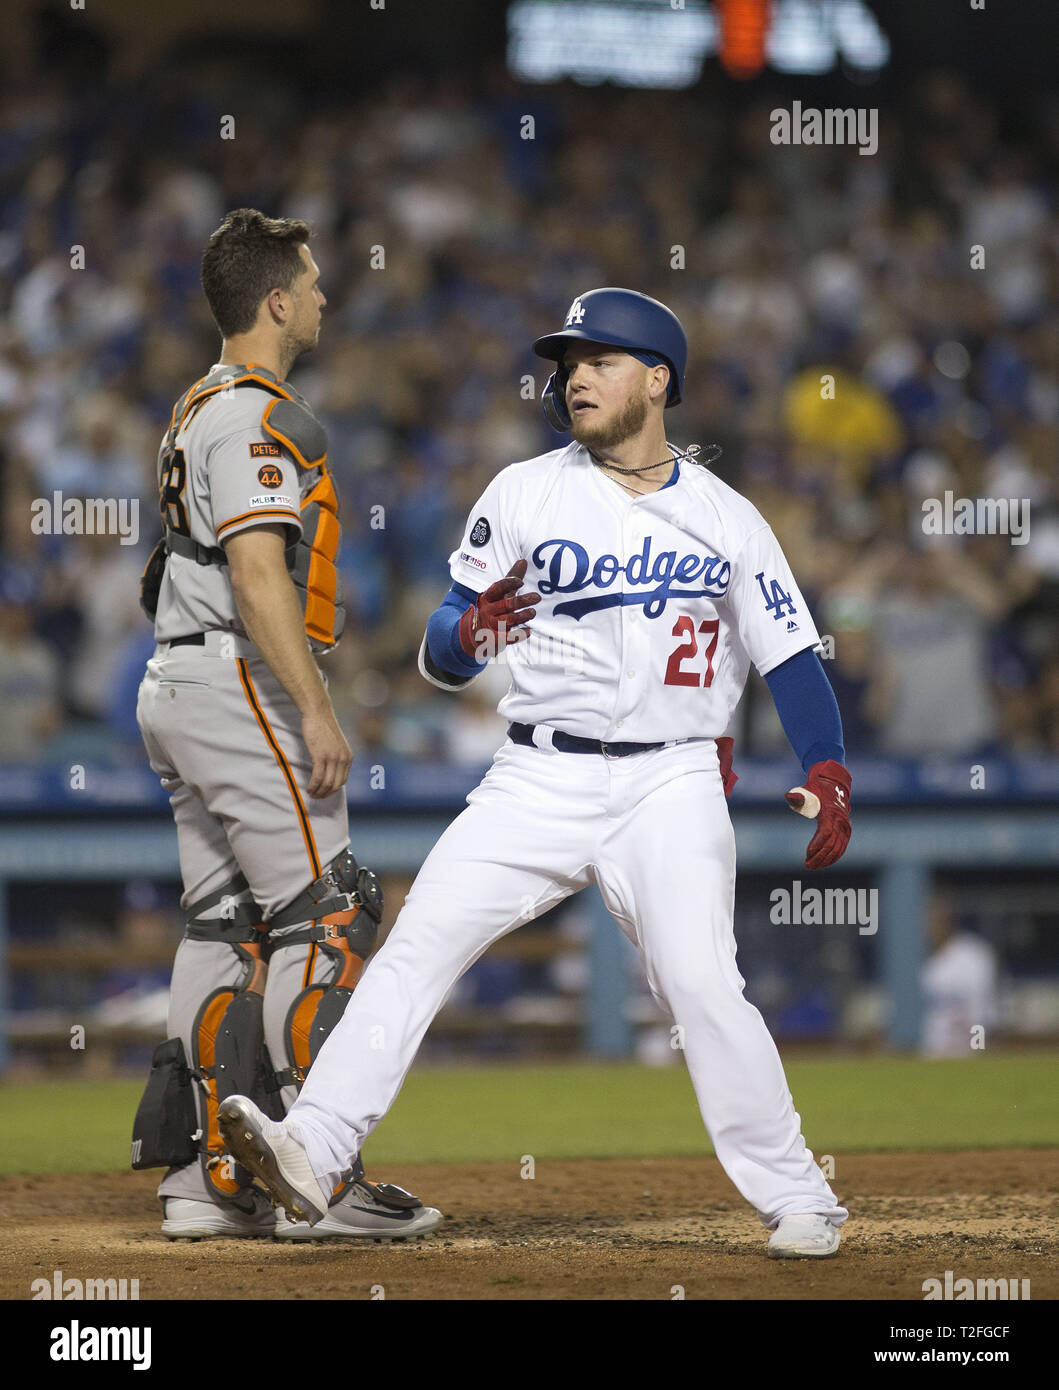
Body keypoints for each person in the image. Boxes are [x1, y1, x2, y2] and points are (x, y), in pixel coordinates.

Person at [219, 288, 852, 1258]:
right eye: (570, 361)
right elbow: (441, 647)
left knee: (699, 982)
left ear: (658, 378)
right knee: (420, 943)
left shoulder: (728, 518)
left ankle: (800, 1194)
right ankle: (314, 1142)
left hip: (670, 782)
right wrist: (468, 634)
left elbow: (793, 658)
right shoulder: (525, 491)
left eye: (600, 357)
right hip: (534, 776)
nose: (577, 375)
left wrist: (828, 768)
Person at [132, 208, 442, 1242]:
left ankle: (205, 1183)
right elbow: (260, 573)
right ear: (274, 301)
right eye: (308, 282)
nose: (321, 296)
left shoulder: (190, 408)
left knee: (223, 927)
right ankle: (323, 1174)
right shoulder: (263, 414)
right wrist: (314, 707)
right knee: (330, 908)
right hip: (236, 681)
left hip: (173, 682)